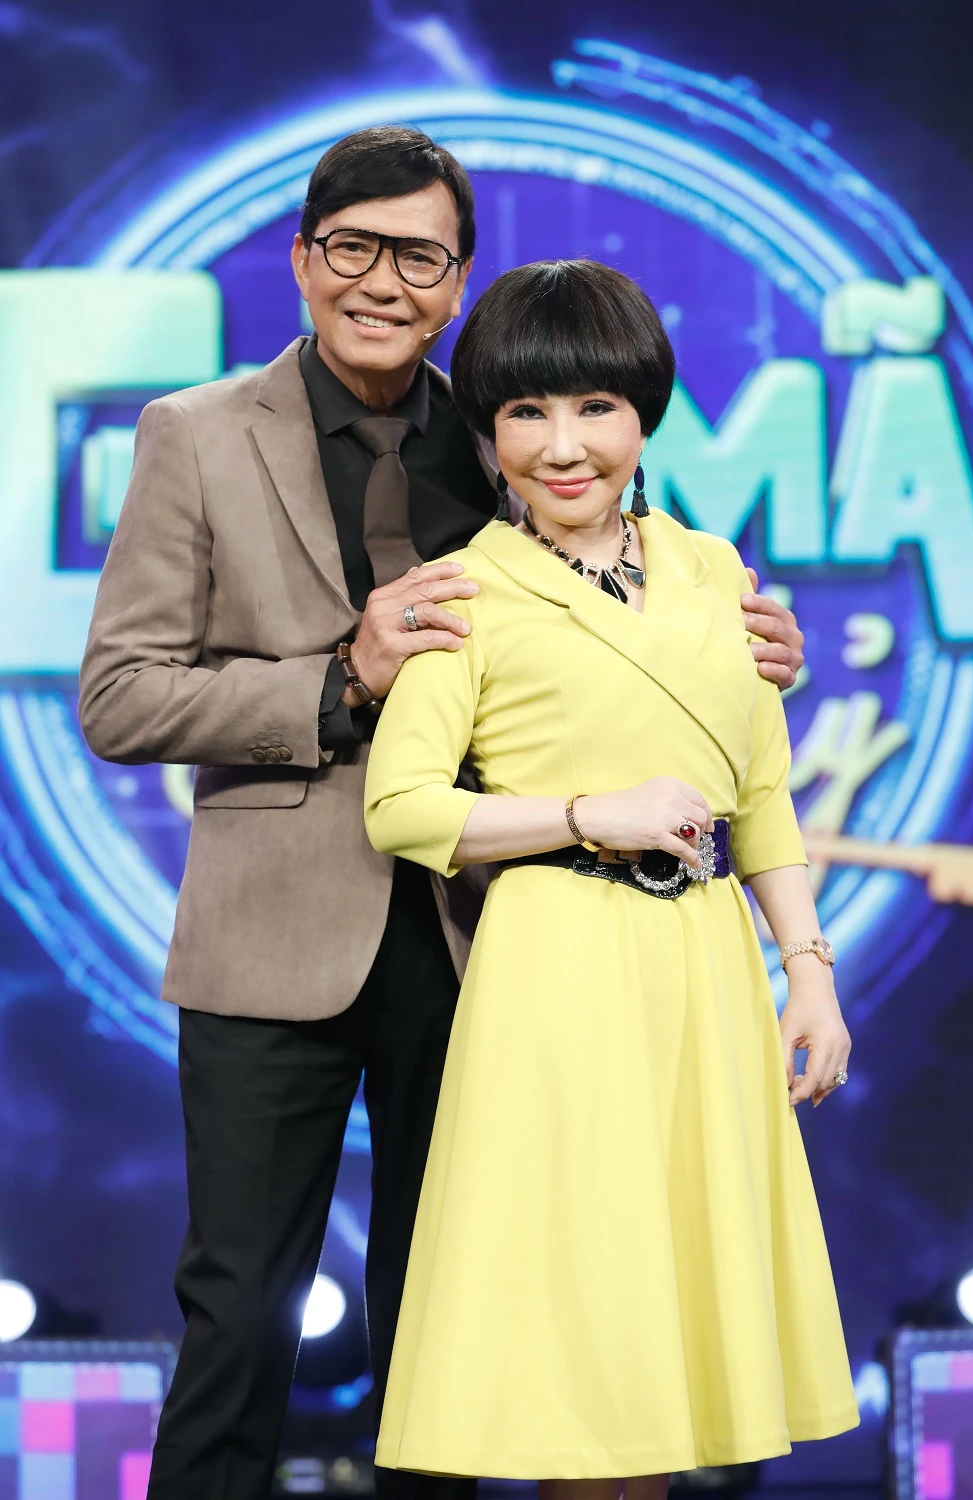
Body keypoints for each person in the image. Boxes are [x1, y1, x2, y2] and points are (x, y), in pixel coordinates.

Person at [78, 126, 808, 1500]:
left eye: (419, 257)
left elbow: (639, 609)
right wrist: (342, 678)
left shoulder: (508, 423)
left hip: (491, 943)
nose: (383, 281)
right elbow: (120, 699)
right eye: (353, 247)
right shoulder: (196, 434)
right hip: (275, 938)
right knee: (239, 1311)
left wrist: (755, 650)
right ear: (303, 259)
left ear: (459, 281)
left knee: (459, 1326)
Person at [364, 258, 860, 1489]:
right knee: (584, 1345)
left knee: (673, 1345)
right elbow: (401, 806)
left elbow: (760, 794)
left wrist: (808, 973)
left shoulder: (711, 569)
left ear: (644, 414)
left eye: (595, 407)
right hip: (558, 976)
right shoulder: (467, 587)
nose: (562, 445)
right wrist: (590, 814)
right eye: (525, 412)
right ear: (488, 430)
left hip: (705, 972)